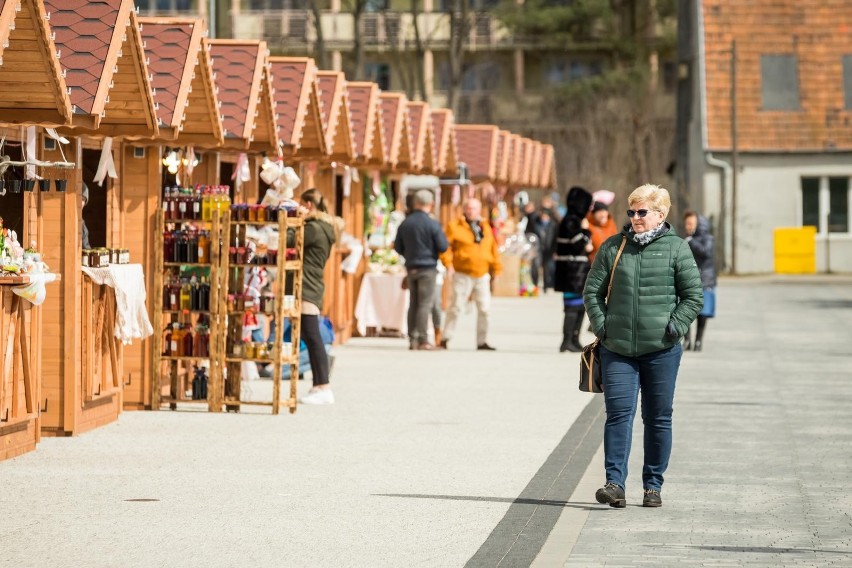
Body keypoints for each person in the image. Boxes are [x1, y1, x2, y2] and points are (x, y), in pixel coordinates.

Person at [584, 183, 702, 508]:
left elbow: (694, 296)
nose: (635, 217)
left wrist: (674, 327)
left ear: (660, 214)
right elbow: (591, 292)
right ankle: (614, 484)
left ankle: (652, 485)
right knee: (618, 414)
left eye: (642, 212)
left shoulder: (677, 248)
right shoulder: (612, 247)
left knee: (658, 417)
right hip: (617, 348)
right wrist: (603, 326)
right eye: (631, 211)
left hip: (661, 350)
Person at [439, 198, 502, 351]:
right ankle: (445, 337)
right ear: (464, 209)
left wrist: (497, 268)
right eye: (468, 208)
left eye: (474, 208)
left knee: (485, 309)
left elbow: (492, 248)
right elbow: (445, 247)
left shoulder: (485, 226)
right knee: (455, 307)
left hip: (482, 273)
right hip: (462, 273)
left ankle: (482, 341)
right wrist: (448, 264)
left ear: (479, 210)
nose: (471, 211)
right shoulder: (455, 226)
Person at [294, 188, 338, 405]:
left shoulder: (313, 228)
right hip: (312, 281)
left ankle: (323, 385)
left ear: (308, 205)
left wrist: (295, 220)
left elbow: (290, 239)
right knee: (309, 334)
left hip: (307, 284)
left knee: (312, 335)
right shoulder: (325, 226)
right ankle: (319, 385)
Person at [394, 189, 449, 350]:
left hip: (411, 267)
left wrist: (409, 255)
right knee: (425, 304)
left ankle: (413, 338)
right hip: (428, 267)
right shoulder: (432, 223)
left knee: (413, 303)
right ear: (430, 204)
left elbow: (397, 246)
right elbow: (443, 246)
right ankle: (423, 338)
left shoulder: (406, 223)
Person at [553, 186, 593, 352]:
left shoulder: (571, 219)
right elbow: (579, 244)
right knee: (571, 306)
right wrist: (586, 231)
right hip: (571, 271)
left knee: (580, 306)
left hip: (577, 271)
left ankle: (575, 339)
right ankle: (567, 340)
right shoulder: (571, 221)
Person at [683, 211, 716, 351]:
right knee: (684, 310)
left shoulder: (707, 238)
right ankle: (686, 340)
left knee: (703, 312)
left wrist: (691, 242)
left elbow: (705, 252)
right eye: (686, 224)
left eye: (691, 223)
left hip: (704, 279)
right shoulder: (687, 239)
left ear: (698, 224)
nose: (688, 226)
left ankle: (698, 341)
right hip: (688, 280)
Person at [80, 182, 91, 250]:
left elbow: (86, 247)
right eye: (80, 198)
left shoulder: (82, 223)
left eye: (83, 200)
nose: (81, 202)